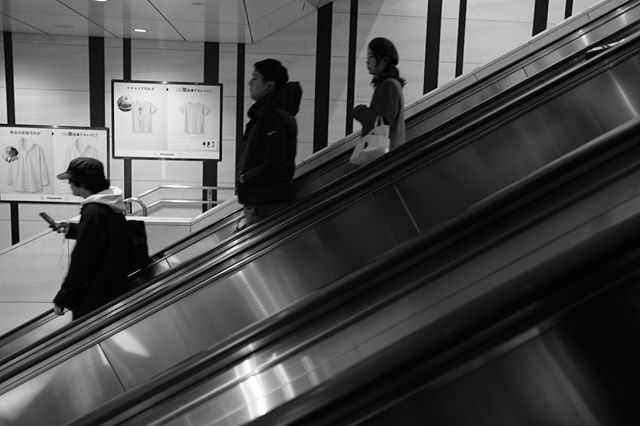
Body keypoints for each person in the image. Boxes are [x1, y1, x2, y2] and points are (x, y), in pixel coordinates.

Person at [52, 157, 130, 319]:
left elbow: (83, 259)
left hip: (95, 296)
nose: (69, 185)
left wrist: (63, 296)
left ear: (81, 182)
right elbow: (104, 236)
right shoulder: (109, 205)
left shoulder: (93, 211)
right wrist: (73, 229)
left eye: (70, 181)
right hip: (111, 288)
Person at [236, 58, 302, 229]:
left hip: (264, 203)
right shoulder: (270, 114)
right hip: (264, 200)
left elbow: (274, 163)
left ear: (269, 85)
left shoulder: (272, 117)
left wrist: (245, 177)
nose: (250, 82)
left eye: (255, 77)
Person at [353, 37, 406, 150]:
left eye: (371, 56)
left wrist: (360, 112)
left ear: (385, 60)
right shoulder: (387, 84)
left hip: (384, 155)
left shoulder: (389, 85)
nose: (367, 61)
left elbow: (382, 123)